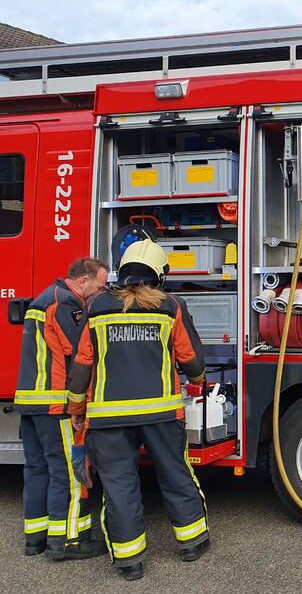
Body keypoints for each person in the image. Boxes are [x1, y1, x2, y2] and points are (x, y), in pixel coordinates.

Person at [66, 240, 209, 581]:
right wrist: (199, 378)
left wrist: (76, 408)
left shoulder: (97, 306)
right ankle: (192, 542)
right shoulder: (170, 306)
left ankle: (129, 561)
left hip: (108, 418)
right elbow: (191, 360)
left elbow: (82, 364)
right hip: (161, 415)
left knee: (118, 485)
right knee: (175, 474)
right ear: (160, 274)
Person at [16, 257, 109, 561]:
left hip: (31, 401)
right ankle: (68, 540)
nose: (100, 292)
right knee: (68, 473)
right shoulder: (66, 303)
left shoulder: (44, 298)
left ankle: (36, 538)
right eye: (100, 286)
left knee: (36, 469)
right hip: (55, 403)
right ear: (83, 281)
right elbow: (80, 352)